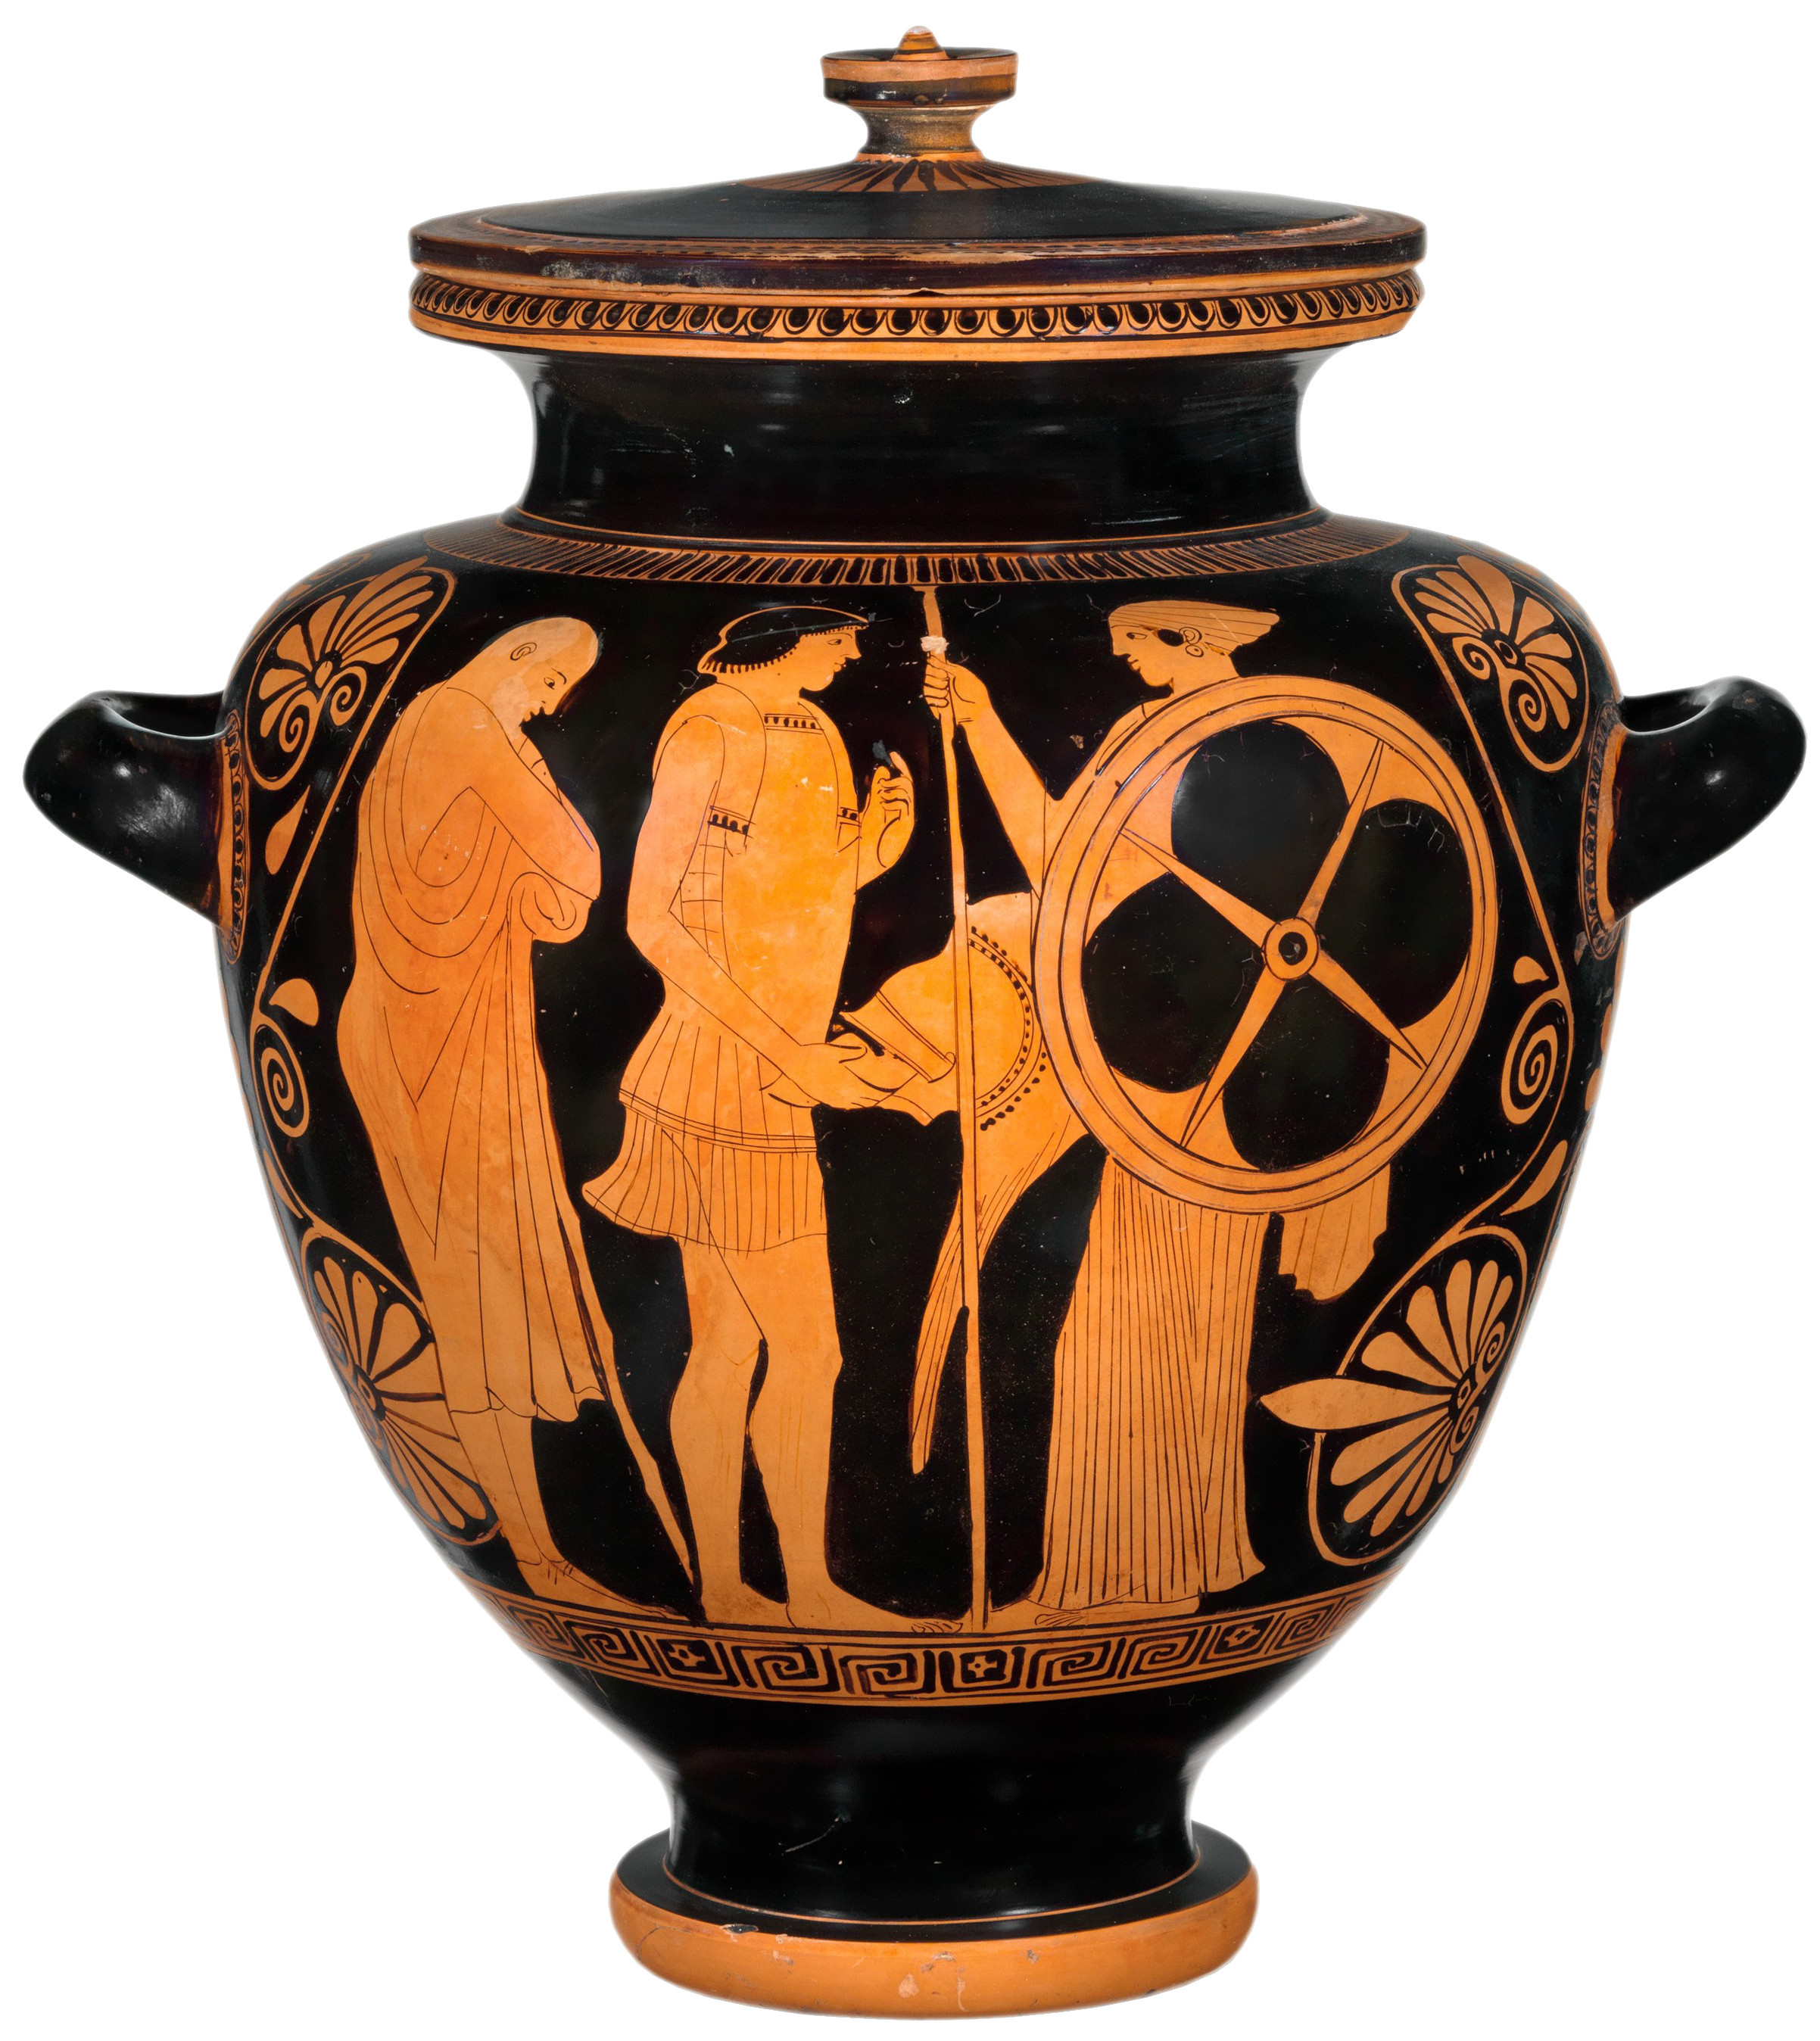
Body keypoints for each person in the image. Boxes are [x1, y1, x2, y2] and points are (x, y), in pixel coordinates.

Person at [923, 600, 1296, 1625]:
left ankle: (1157, 1580)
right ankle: (1108, 1578)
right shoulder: (1144, 731)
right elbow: (1059, 855)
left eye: (1140, 638)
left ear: (1193, 639)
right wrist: (981, 722)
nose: (1123, 653)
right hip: (1136, 1053)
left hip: (1216, 1070)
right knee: (1114, 1313)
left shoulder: (1262, 746)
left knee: (1185, 1313)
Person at [339, 617, 687, 1609]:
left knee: (497, 1305)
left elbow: (555, 901)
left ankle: (542, 1551)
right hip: (432, 1044)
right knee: (481, 1302)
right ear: (520, 656)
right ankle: (538, 1555)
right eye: (550, 686)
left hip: (460, 1033)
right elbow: (574, 864)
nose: (549, 707)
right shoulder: (457, 718)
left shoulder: (447, 727)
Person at [584, 606, 921, 1629]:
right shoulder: (712, 729)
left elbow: (794, 891)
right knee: (803, 1350)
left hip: (767, 1069)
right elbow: (656, 919)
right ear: (789, 638)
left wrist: (876, 845)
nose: (853, 652)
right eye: (838, 637)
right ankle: (794, 1590)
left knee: (731, 1345)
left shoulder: (810, 730)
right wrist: (788, 1053)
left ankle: (738, 1592)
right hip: (722, 1072)